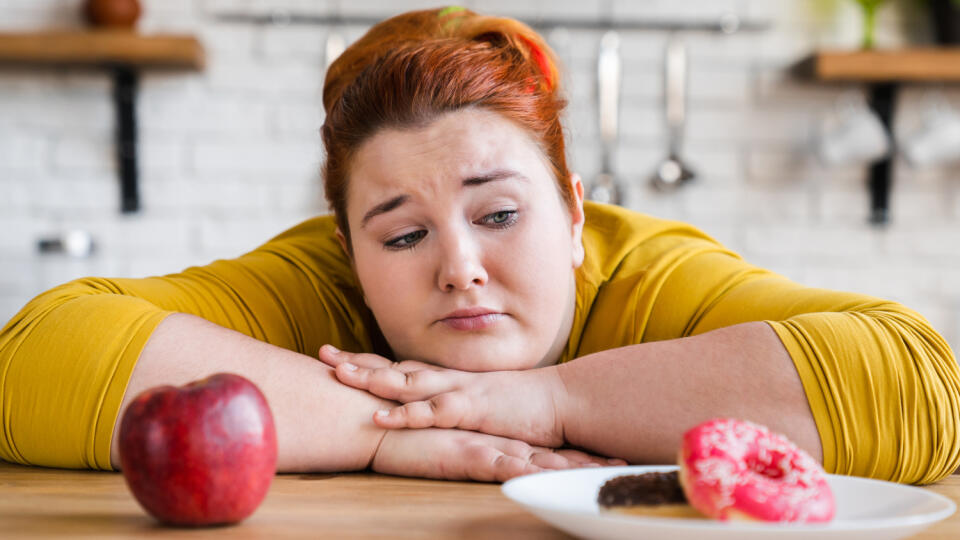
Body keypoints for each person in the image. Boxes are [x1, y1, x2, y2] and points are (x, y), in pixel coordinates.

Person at [1, 7, 958, 485]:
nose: (457, 266)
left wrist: (547, 399)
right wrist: (380, 433)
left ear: (578, 215)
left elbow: (920, 384)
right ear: (349, 247)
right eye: (405, 233)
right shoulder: (320, 280)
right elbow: (38, 356)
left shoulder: (650, 271)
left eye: (499, 215)